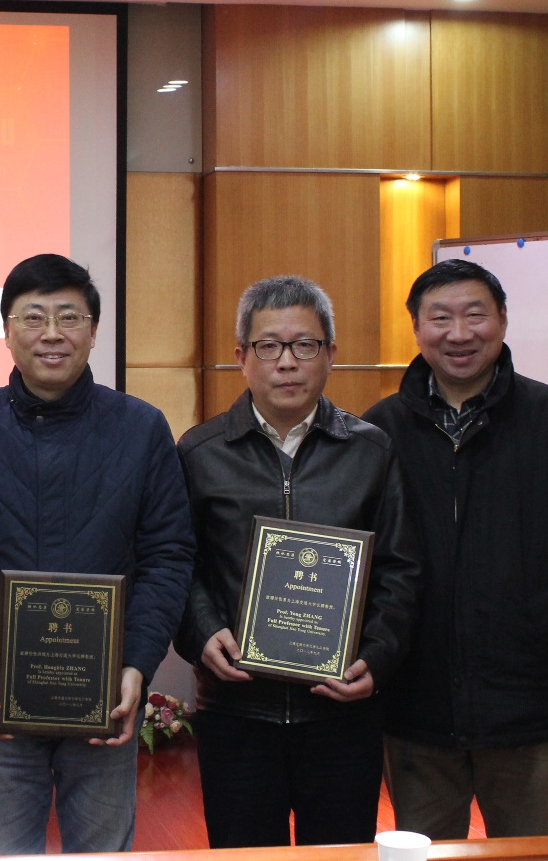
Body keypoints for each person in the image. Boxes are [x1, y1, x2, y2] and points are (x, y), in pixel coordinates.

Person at [0, 253, 195, 856]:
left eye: (69, 316)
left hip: (106, 695)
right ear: (7, 329)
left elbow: (168, 555)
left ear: (93, 330)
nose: (52, 333)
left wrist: (136, 664)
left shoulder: (141, 429)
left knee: (102, 852)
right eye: (34, 317)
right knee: (3, 851)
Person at [364, 259, 548, 839]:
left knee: (530, 852)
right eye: (440, 318)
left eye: (475, 315)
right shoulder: (378, 432)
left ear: (504, 320)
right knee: (425, 851)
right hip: (417, 706)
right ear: (416, 328)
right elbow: (364, 564)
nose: (459, 333)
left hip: (530, 705)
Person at [175, 274, 420, 849]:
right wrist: (203, 632)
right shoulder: (200, 452)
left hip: (340, 713)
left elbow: (401, 569)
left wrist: (377, 658)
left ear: (330, 354)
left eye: (304, 345)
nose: (287, 362)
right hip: (237, 710)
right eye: (269, 346)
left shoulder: (371, 451)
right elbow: (179, 563)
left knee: (340, 853)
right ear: (242, 356)